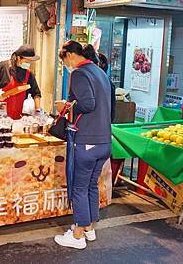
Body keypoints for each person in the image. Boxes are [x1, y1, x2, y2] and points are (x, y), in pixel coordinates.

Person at [54, 41, 112, 250]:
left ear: (70, 55)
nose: (65, 64)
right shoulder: (99, 72)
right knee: (90, 185)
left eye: (64, 59)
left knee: (79, 187)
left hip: (87, 141)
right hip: (104, 141)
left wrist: (67, 106)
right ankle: (89, 228)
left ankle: (77, 236)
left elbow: (88, 104)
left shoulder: (79, 74)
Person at [0, 44, 42, 119]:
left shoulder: (28, 74)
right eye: (27, 61)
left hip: (16, 115)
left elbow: (36, 93)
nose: (28, 63)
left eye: (30, 61)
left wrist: (37, 110)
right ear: (18, 57)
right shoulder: (4, 66)